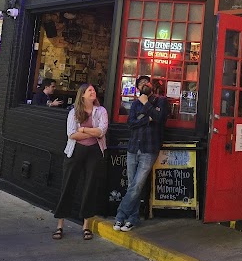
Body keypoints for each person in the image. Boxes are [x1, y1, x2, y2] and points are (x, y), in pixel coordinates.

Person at [52, 84, 107, 240]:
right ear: (82, 95)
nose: (93, 92)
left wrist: (83, 130)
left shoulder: (101, 111)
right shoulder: (74, 112)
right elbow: (71, 135)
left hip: (94, 152)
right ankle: (60, 225)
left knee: (90, 187)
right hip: (75, 151)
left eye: (94, 90)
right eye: (90, 90)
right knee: (68, 185)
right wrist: (92, 133)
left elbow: (101, 132)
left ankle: (86, 226)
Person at [113, 74, 167, 232]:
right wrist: (146, 119)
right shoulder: (135, 104)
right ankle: (133, 218)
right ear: (138, 88)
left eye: (146, 81)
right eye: (141, 83)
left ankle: (120, 215)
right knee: (133, 185)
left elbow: (160, 118)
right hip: (133, 148)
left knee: (136, 186)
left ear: (151, 85)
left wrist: (146, 106)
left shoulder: (161, 101)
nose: (144, 84)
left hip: (149, 149)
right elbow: (131, 123)